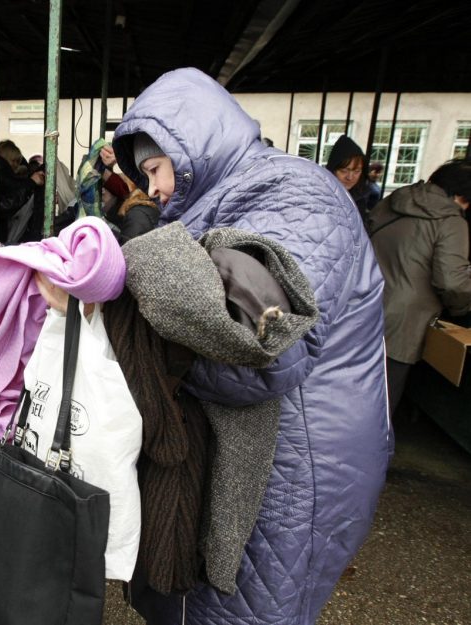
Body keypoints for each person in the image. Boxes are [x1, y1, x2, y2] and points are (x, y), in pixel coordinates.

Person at [63, 67, 387, 625]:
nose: (154, 188)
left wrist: (125, 268)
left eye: (155, 168)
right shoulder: (231, 197)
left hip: (293, 464)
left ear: (190, 145)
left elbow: (257, 353)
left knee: (245, 611)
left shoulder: (296, 194)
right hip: (262, 455)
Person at [368, 159, 471, 416]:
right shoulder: (451, 221)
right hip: (403, 323)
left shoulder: (394, 201)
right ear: (460, 195)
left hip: (363, 305)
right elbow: (452, 281)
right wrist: (461, 310)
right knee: (382, 401)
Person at [326, 134, 371, 220]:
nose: (350, 177)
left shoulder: (362, 198)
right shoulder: (318, 196)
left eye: (357, 171)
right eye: (344, 171)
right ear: (332, 170)